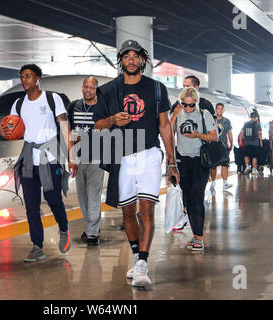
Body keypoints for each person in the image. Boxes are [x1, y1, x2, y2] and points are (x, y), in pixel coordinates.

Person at [93, 39, 179, 289]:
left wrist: (171, 161)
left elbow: (165, 125)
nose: (131, 60)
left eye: (136, 56)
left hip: (150, 154)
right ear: (121, 60)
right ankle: (136, 256)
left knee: (147, 209)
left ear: (143, 59)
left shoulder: (156, 88)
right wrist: (112, 119)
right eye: (126, 56)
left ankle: (143, 263)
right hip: (122, 157)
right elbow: (96, 124)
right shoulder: (108, 90)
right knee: (127, 212)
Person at [0, 64, 77, 262]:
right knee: (31, 206)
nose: (24, 80)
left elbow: (65, 126)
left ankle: (64, 229)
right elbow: (7, 127)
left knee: (53, 199)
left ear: (37, 78)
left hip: (50, 157)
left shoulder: (51, 98)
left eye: (28, 76)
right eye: (22, 77)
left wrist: (72, 157)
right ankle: (37, 247)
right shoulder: (18, 104)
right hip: (28, 158)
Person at [170, 86, 218, 251]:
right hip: (183, 161)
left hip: (200, 161)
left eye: (192, 105)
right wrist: (175, 114)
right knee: (188, 199)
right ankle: (196, 233)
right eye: (185, 104)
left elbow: (214, 136)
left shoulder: (205, 114)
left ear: (196, 102)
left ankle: (199, 237)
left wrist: (197, 135)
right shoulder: (177, 114)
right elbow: (168, 134)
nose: (188, 108)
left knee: (197, 196)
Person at [68, 76, 105, 246]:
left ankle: (92, 233)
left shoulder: (103, 107)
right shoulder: (73, 106)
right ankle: (91, 227)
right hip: (79, 156)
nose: (88, 90)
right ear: (82, 88)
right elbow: (69, 132)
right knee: (82, 196)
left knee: (94, 195)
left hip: (97, 157)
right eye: (86, 87)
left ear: (96, 89)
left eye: (92, 87)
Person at [209, 103, 233, 190]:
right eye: (218, 108)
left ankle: (225, 183)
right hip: (213, 145)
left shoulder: (227, 121)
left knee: (225, 164)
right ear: (215, 110)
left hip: (224, 146)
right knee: (213, 166)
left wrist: (231, 143)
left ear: (223, 110)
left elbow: (229, 133)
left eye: (221, 109)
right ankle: (213, 182)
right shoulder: (211, 120)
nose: (220, 110)